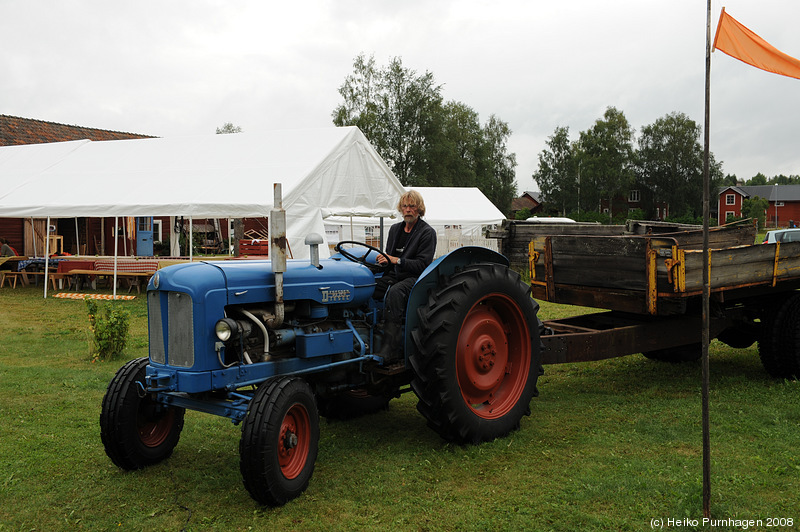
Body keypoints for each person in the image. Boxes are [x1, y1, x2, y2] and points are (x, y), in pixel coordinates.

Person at [374, 190, 436, 361]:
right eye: (405, 206)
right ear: (401, 209)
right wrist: (385, 260)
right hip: (396, 274)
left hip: (416, 278)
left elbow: (423, 264)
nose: (408, 209)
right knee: (371, 287)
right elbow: (390, 257)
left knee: (395, 292)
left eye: (412, 206)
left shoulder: (426, 233)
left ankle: (390, 348)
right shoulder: (395, 230)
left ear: (419, 209)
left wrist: (397, 261)